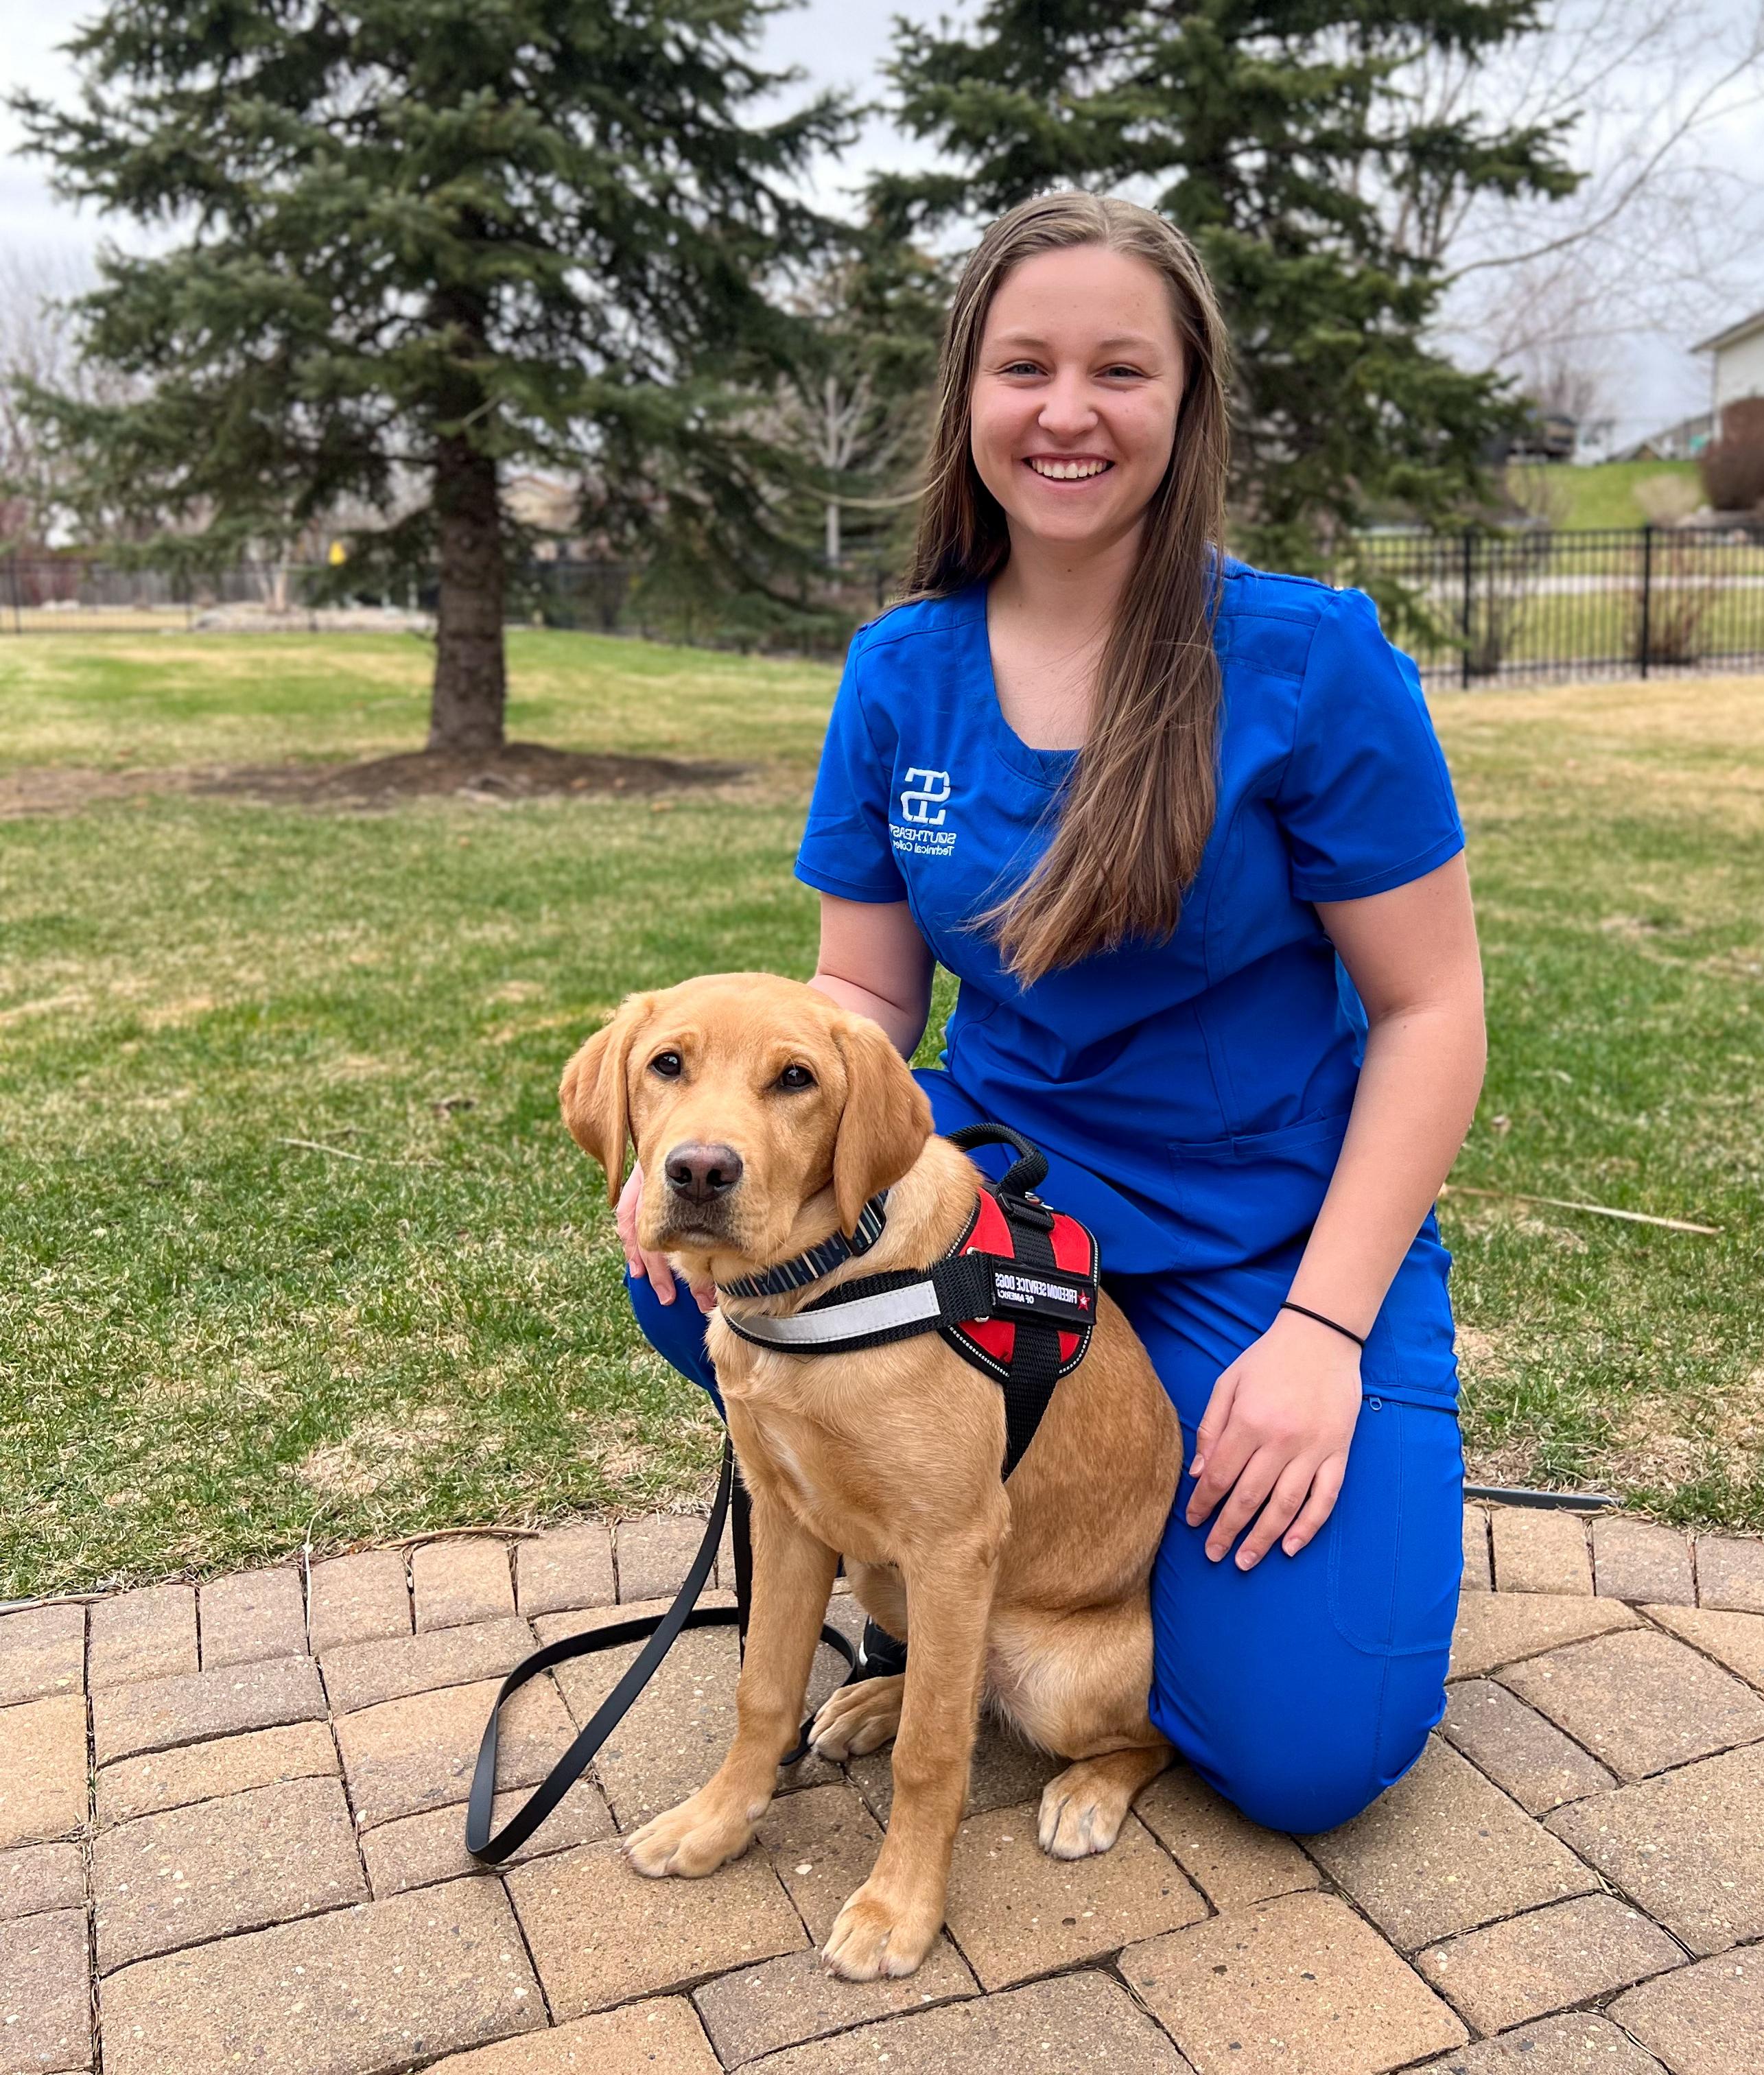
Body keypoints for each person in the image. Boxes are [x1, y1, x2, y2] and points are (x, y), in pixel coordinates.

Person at [617, 191, 1486, 1835]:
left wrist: (1322, 1335)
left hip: (1259, 1236)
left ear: (1187, 403)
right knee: (695, 1273)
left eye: (1119, 370)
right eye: (1024, 366)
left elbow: (1434, 1008)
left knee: (1303, 1754)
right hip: (1014, 1187)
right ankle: (948, 1530)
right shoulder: (899, 670)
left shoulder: (1308, 659)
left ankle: (1144, 1534)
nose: (1067, 411)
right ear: (968, 399)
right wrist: (711, 1131)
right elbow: (863, 993)